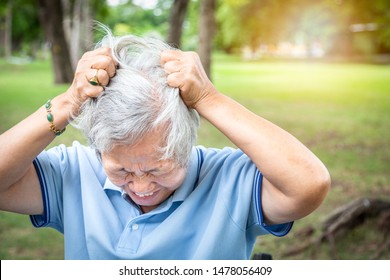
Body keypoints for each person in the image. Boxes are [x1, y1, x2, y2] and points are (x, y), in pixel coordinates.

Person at [0, 25, 330, 260]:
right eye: (122, 169)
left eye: (159, 168)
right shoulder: (76, 173)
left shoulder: (230, 180)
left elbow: (309, 184)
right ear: (98, 151)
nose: (141, 186)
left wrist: (208, 99)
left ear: (187, 145)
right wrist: (66, 103)